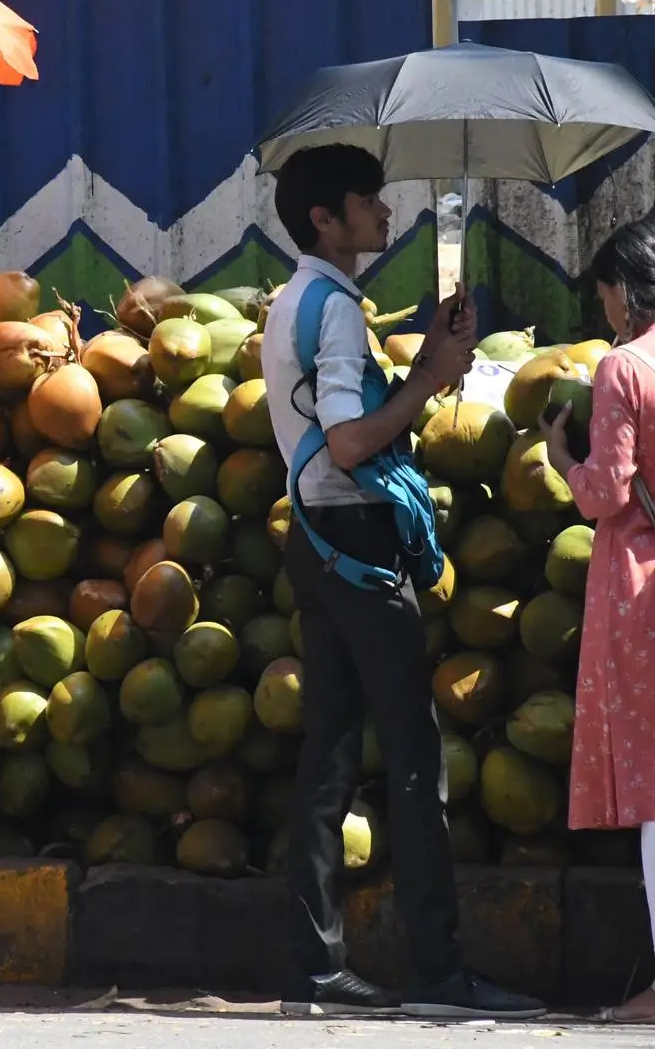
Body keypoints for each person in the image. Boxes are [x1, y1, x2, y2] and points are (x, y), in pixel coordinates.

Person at [262, 144, 545, 1020]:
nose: (384, 214)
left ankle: (313, 974)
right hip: (353, 538)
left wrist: (432, 362)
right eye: (368, 201)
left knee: (331, 758)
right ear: (326, 219)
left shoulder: (293, 302)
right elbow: (350, 443)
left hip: (316, 541)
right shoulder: (337, 312)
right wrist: (430, 379)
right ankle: (439, 973)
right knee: (418, 762)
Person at [540, 215, 655, 1025]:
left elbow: (608, 495)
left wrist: (561, 459)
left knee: (654, 788)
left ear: (627, 290)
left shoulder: (623, 367)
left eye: (605, 291)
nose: (605, 306)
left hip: (640, 586)